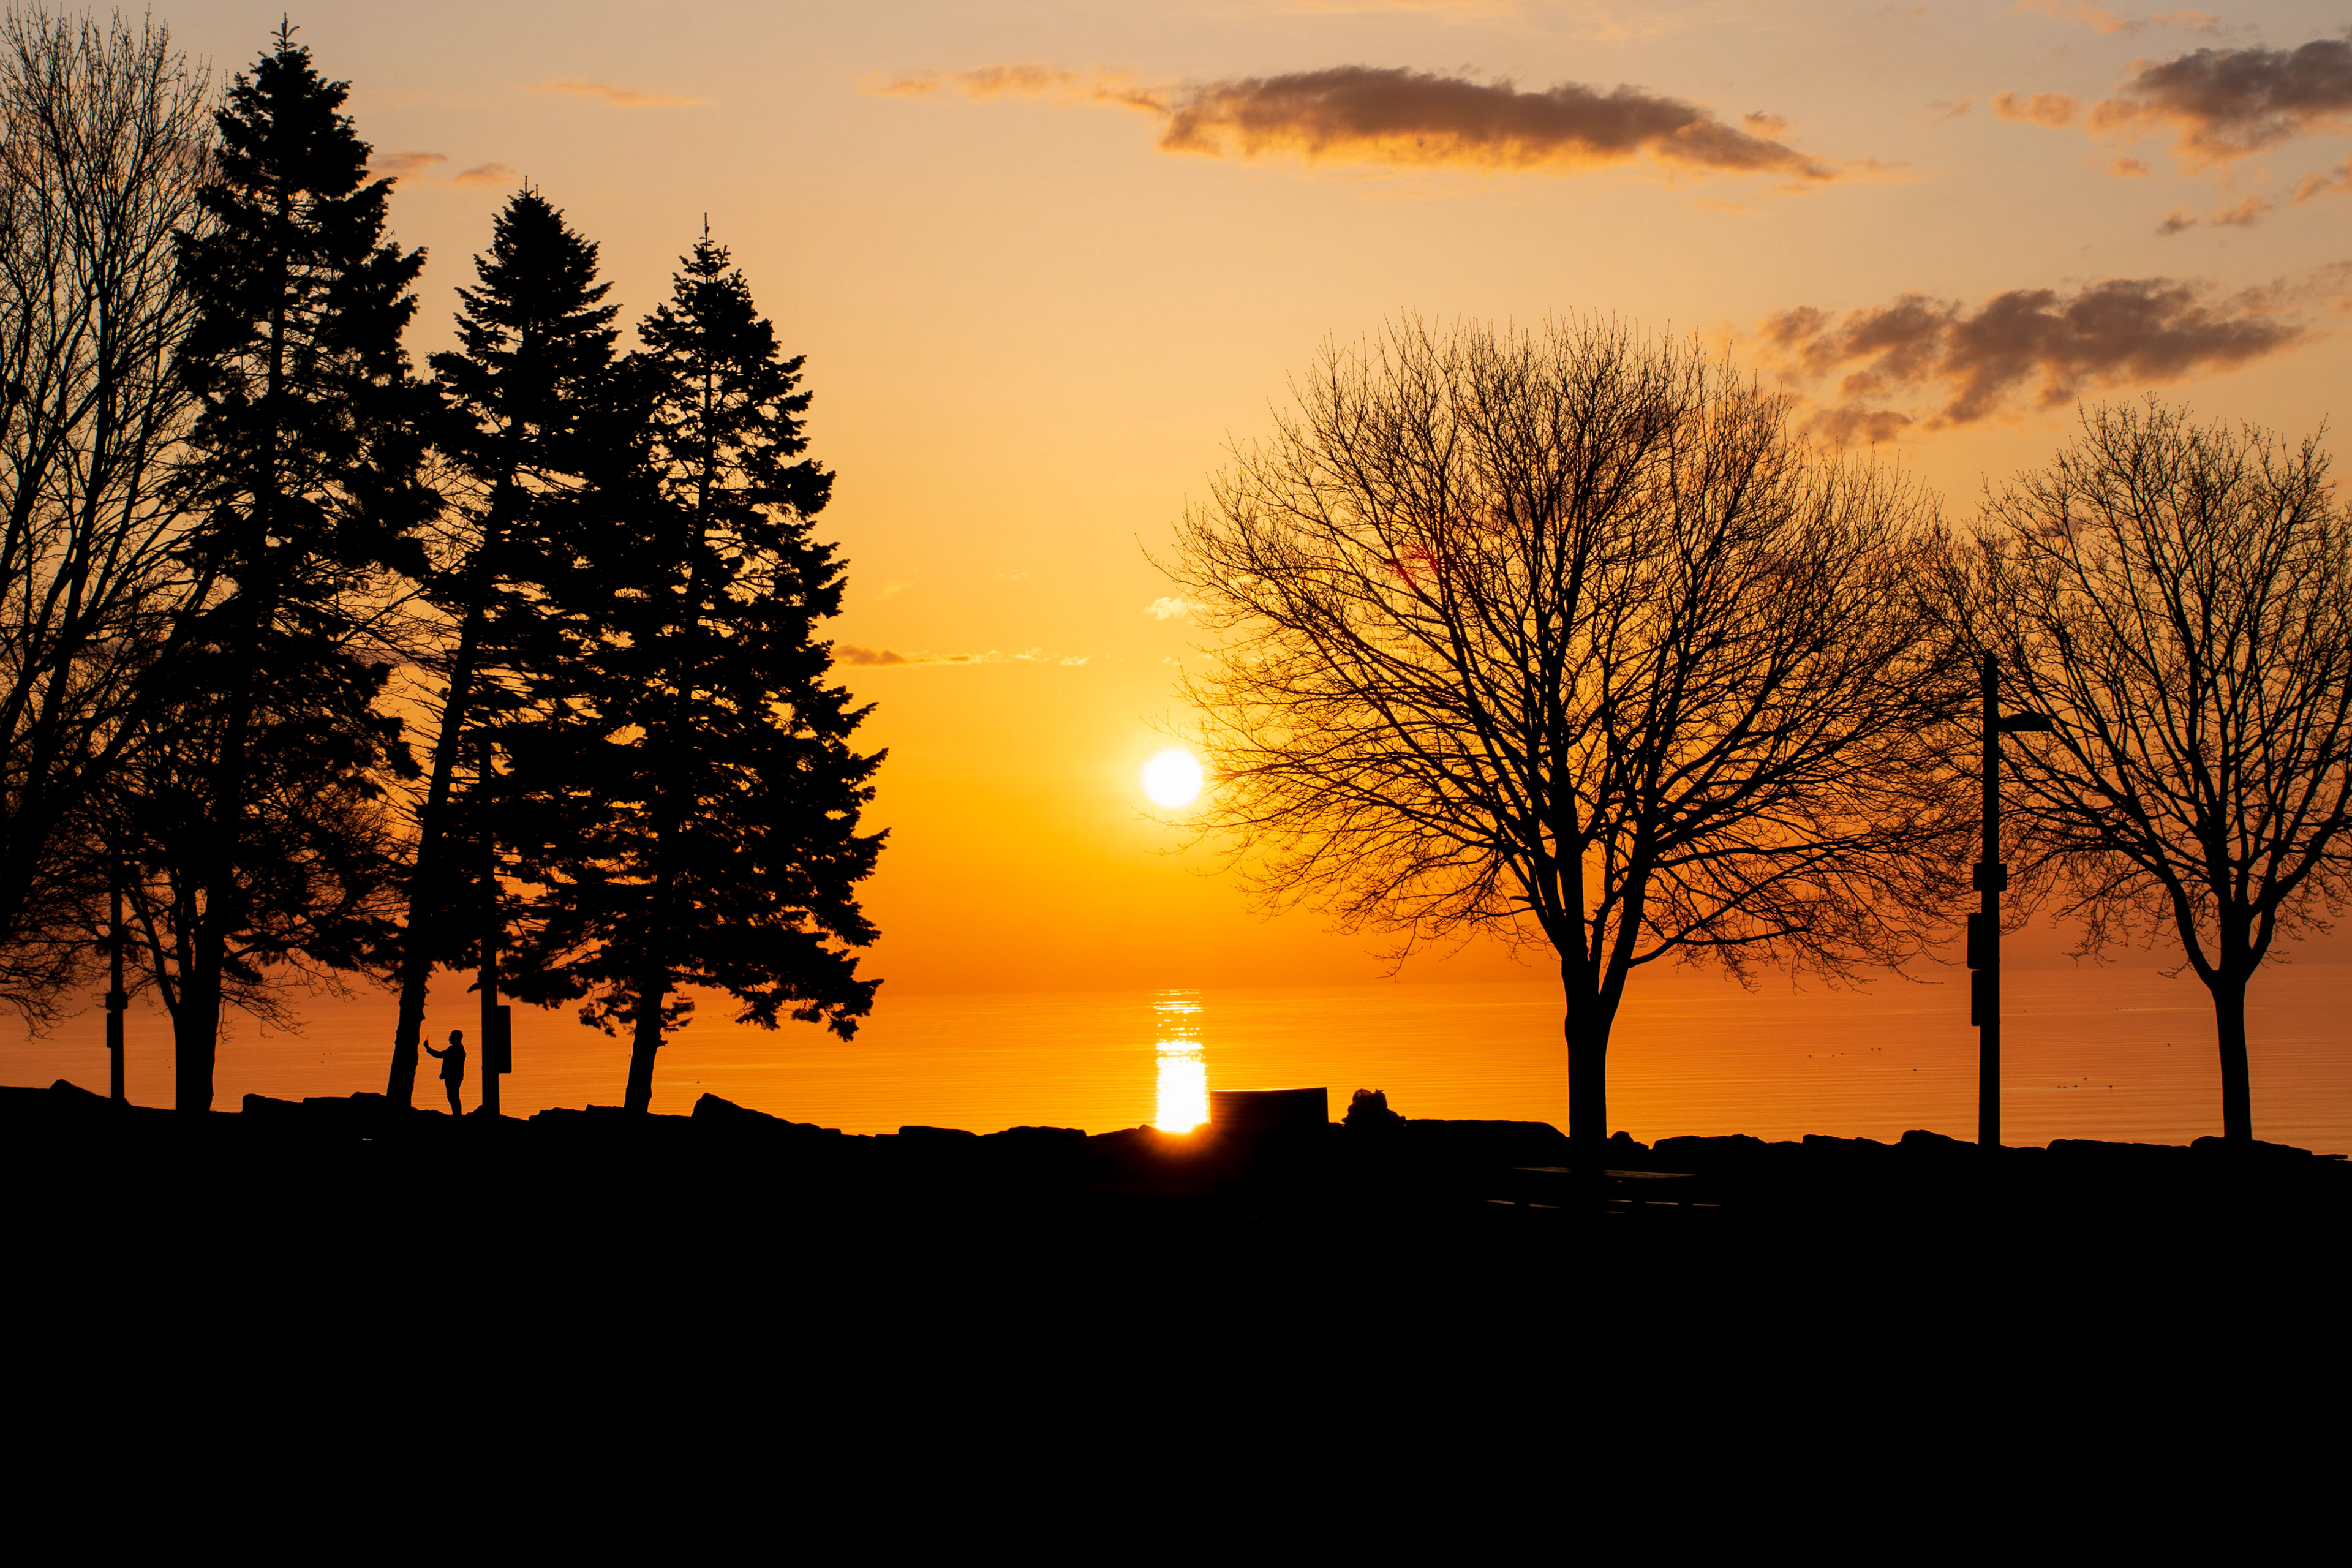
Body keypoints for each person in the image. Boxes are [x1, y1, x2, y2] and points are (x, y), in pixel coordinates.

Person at [424, 1028, 467, 1117]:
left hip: (453, 1077)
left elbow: (440, 1055)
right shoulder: (457, 1048)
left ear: (456, 1038)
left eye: (451, 1036)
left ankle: (457, 1115)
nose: (449, 1038)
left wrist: (428, 1048)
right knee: (453, 1096)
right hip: (455, 1076)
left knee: (453, 1096)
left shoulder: (455, 1049)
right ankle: (457, 1114)